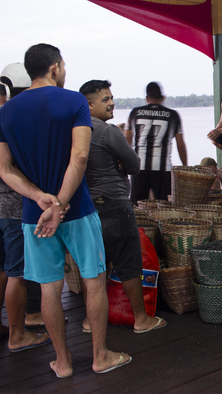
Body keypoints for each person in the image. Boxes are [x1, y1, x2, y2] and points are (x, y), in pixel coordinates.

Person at [0, 43, 131, 378]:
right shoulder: (73, 100)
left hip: (34, 216)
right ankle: (100, 356)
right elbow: (80, 158)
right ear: (55, 68)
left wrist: (42, 199)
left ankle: (63, 363)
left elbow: (4, 169)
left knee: (49, 289)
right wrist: (60, 202)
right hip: (78, 210)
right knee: (94, 281)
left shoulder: (6, 112)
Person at [79, 80, 167, 334]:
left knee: (93, 268)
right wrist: (119, 156)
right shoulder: (107, 132)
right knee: (128, 264)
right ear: (89, 104)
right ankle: (141, 319)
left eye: (111, 98)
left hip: (86, 208)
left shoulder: (74, 132)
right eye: (105, 99)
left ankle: (88, 321)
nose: (112, 103)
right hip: (114, 207)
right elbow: (135, 166)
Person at [0, 62, 51, 351]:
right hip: (14, 208)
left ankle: (10, 324)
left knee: (4, 270)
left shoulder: (4, 118)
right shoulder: (15, 120)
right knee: (19, 272)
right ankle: (19, 331)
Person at [126, 82, 188, 204]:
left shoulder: (135, 113)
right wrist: (185, 166)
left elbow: (126, 141)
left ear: (147, 98)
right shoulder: (172, 115)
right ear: (162, 97)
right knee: (164, 207)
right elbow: (180, 145)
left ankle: (139, 224)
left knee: (137, 207)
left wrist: (126, 163)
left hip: (139, 166)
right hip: (163, 168)